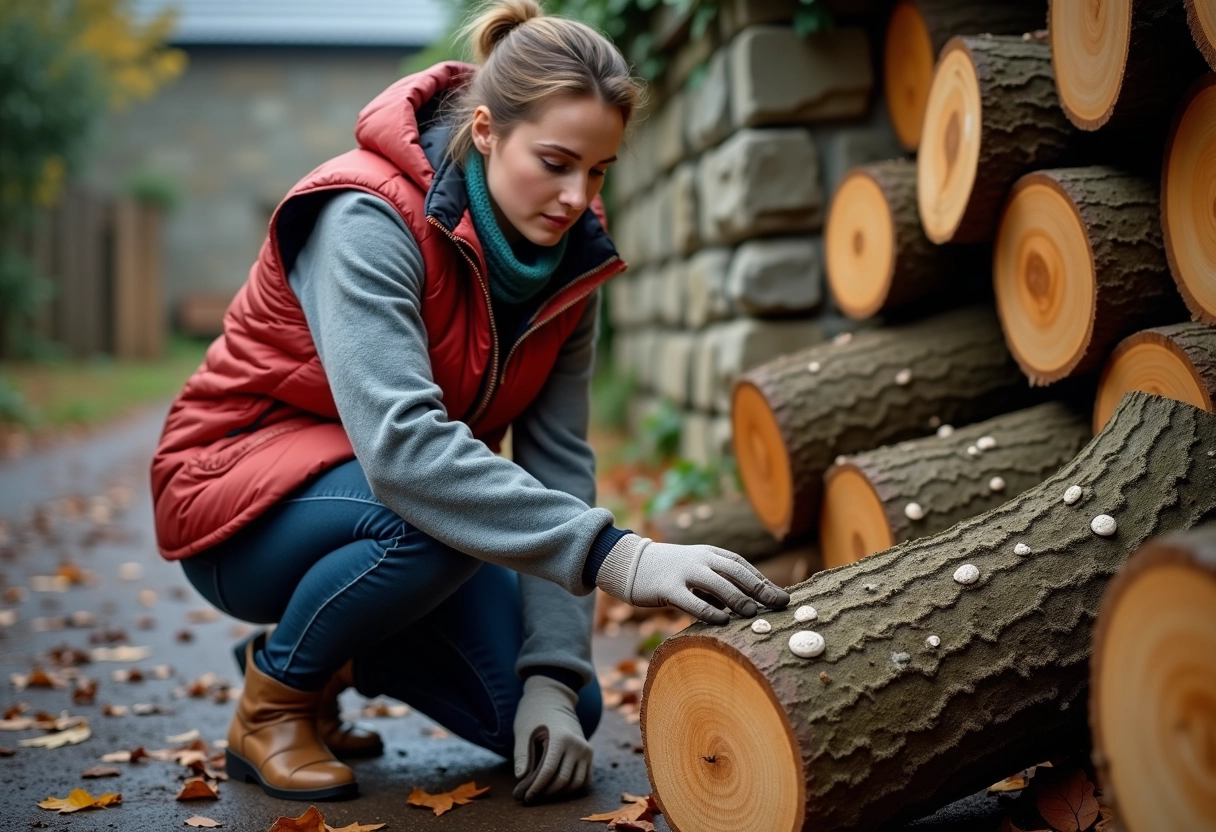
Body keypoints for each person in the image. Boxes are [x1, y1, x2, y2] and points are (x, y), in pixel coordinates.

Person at [149, 0, 789, 806]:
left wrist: (555, 678)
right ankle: (276, 698)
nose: (575, 196)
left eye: (598, 171)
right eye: (555, 162)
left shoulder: (571, 262)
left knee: (548, 713)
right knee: (430, 519)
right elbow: (405, 455)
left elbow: (559, 460)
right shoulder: (364, 217)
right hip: (235, 505)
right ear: (484, 131)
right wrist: (623, 558)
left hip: (383, 507)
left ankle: (329, 647)